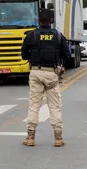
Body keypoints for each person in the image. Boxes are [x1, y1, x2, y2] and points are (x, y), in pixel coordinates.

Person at [21, 9, 70, 147]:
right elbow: (67, 54)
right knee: (54, 106)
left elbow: (24, 54)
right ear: (52, 20)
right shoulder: (59, 36)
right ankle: (58, 138)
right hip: (52, 74)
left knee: (34, 105)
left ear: (39, 20)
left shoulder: (32, 35)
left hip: (36, 72)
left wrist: (32, 57)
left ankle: (30, 137)